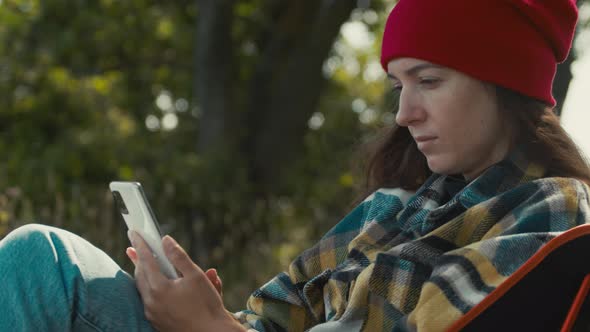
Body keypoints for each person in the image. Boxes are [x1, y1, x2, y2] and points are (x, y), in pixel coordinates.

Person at [1, 0, 589, 331]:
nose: (405, 112)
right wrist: (203, 310)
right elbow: (266, 316)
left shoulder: (550, 213)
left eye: (429, 81)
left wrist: (207, 328)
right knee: (42, 257)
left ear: (505, 85)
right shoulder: (392, 210)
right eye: (397, 85)